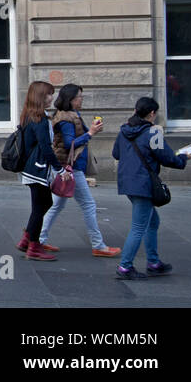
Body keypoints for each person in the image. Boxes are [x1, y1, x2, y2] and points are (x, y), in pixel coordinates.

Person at [39, 84, 120, 257]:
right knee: (88, 204)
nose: (82, 99)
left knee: (55, 205)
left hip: (68, 166)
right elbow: (69, 144)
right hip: (71, 168)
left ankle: (38, 239)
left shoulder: (70, 115)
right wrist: (90, 133)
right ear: (71, 99)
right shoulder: (66, 119)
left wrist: (89, 130)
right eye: (79, 97)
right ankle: (98, 245)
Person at [112, 97, 188, 279]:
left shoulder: (124, 130)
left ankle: (154, 262)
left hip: (127, 182)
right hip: (143, 184)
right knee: (139, 227)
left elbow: (116, 153)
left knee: (152, 222)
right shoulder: (153, 132)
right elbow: (167, 158)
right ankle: (125, 267)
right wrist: (183, 158)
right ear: (152, 113)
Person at [16, 79, 58, 261]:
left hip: (32, 168)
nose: (51, 97)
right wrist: (60, 169)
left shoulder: (30, 115)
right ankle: (34, 246)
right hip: (37, 169)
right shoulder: (39, 119)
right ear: (41, 96)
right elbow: (45, 147)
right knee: (40, 207)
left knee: (45, 203)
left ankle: (27, 239)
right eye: (49, 93)